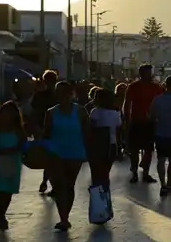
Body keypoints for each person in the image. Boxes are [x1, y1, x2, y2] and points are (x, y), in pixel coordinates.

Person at [44, 81, 89, 231]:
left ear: (70, 94)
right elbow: (46, 135)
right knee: (59, 186)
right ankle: (63, 218)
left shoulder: (80, 111)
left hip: (75, 153)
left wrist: (90, 152)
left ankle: (66, 215)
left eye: (64, 92)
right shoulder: (51, 113)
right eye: (58, 93)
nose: (61, 96)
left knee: (69, 185)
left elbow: (87, 132)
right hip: (56, 154)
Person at [0, 101, 25, 231]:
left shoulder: (18, 130)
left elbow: (22, 144)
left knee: (8, 191)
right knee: (1, 190)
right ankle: (2, 216)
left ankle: (3, 213)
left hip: (13, 162)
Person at [124, 64, 163, 184]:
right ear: (141, 74)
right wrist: (127, 119)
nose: (148, 75)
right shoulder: (133, 87)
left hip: (150, 122)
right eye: (146, 72)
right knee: (134, 149)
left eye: (149, 72)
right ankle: (134, 172)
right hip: (136, 121)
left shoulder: (156, 87)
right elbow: (127, 103)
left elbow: (161, 103)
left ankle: (145, 173)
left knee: (148, 149)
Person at [87, 88, 121, 190]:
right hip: (112, 145)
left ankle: (97, 195)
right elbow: (118, 130)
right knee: (105, 173)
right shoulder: (115, 113)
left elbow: (91, 128)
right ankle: (105, 193)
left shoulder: (95, 112)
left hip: (98, 145)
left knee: (96, 173)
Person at [31, 70, 59, 194]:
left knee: (48, 158)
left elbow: (34, 114)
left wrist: (36, 128)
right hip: (56, 130)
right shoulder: (59, 96)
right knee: (54, 159)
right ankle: (51, 183)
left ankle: (47, 182)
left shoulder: (39, 96)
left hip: (44, 130)